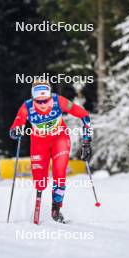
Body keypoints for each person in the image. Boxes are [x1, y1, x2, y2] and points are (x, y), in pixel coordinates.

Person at [10, 80, 92, 223]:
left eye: (45, 100)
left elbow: (84, 115)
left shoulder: (59, 101)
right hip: (39, 142)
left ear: (50, 96)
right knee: (39, 179)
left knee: (60, 173)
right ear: (33, 98)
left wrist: (86, 141)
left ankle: (56, 208)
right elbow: (16, 125)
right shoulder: (27, 106)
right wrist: (15, 131)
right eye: (38, 101)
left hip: (59, 138)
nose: (42, 105)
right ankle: (38, 199)